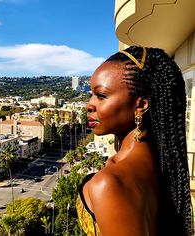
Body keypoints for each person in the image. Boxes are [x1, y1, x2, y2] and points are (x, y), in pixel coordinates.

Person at [76, 46, 193, 236]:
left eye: (101, 95)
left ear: (141, 105)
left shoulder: (111, 183)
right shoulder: (159, 165)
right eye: (91, 94)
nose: (90, 105)